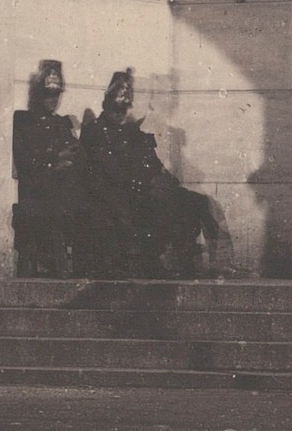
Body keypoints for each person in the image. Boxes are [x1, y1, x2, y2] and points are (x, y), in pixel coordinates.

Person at [78, 70, 219, 278]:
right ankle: (154, 261)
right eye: (116, 108)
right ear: (106, 105)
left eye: (124, 109)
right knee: (152, 205)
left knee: (191, 201)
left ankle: (187, 260)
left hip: (139, 190)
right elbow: (100, 172)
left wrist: (166, 180)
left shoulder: (132, 132)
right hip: (111, 194)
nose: (121, 114)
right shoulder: (96, 131)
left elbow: (153, 164)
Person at [12, 59, 84, 278]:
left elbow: (75, 153)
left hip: (62, 190)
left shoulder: (62, 124)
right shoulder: (24, 121)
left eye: (56, 95)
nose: (53, 100)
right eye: (48, 94)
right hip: (36, 188)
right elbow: (24, 160)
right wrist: (54, 160)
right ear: (38, 93)